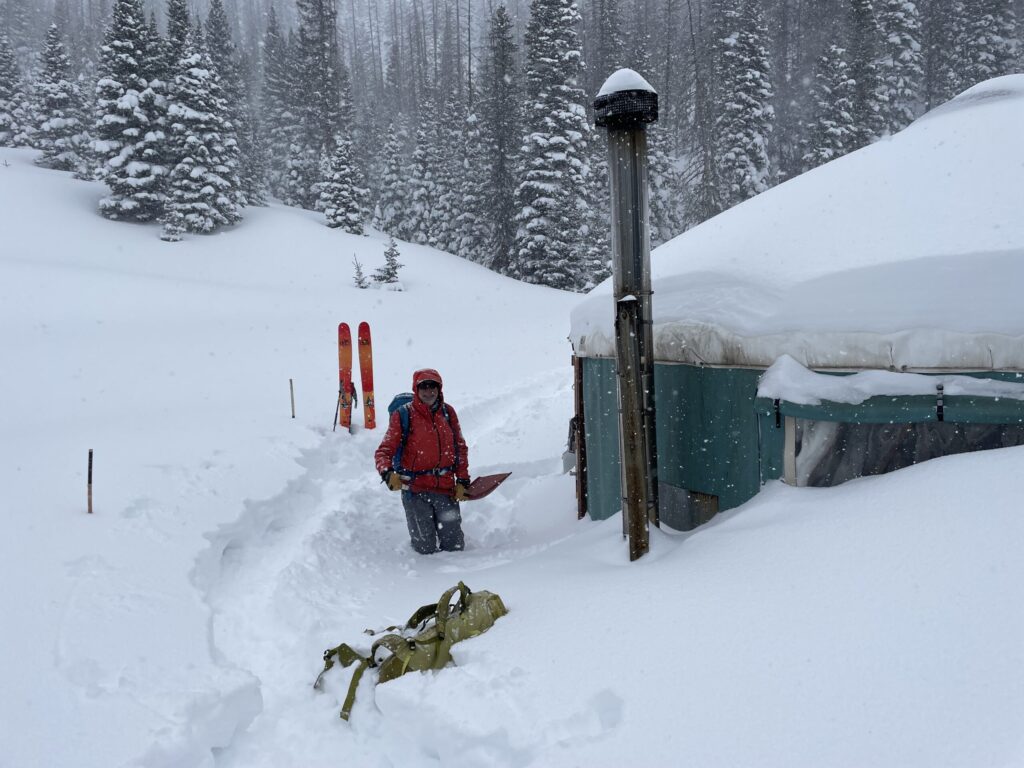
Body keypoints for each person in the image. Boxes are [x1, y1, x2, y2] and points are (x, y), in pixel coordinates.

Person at [375, 368, 470, 554]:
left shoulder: (448, 412)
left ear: (439, 388)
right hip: (415, 491)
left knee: (454, 546)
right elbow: (384, 451)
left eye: (433, 386)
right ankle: (424, 579)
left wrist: (463, 480)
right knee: (424, 549)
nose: (429, 391)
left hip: (445, 488)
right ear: (416, 390)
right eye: (423, 387)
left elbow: (460, 448)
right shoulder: (403, 414)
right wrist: (387, 473)